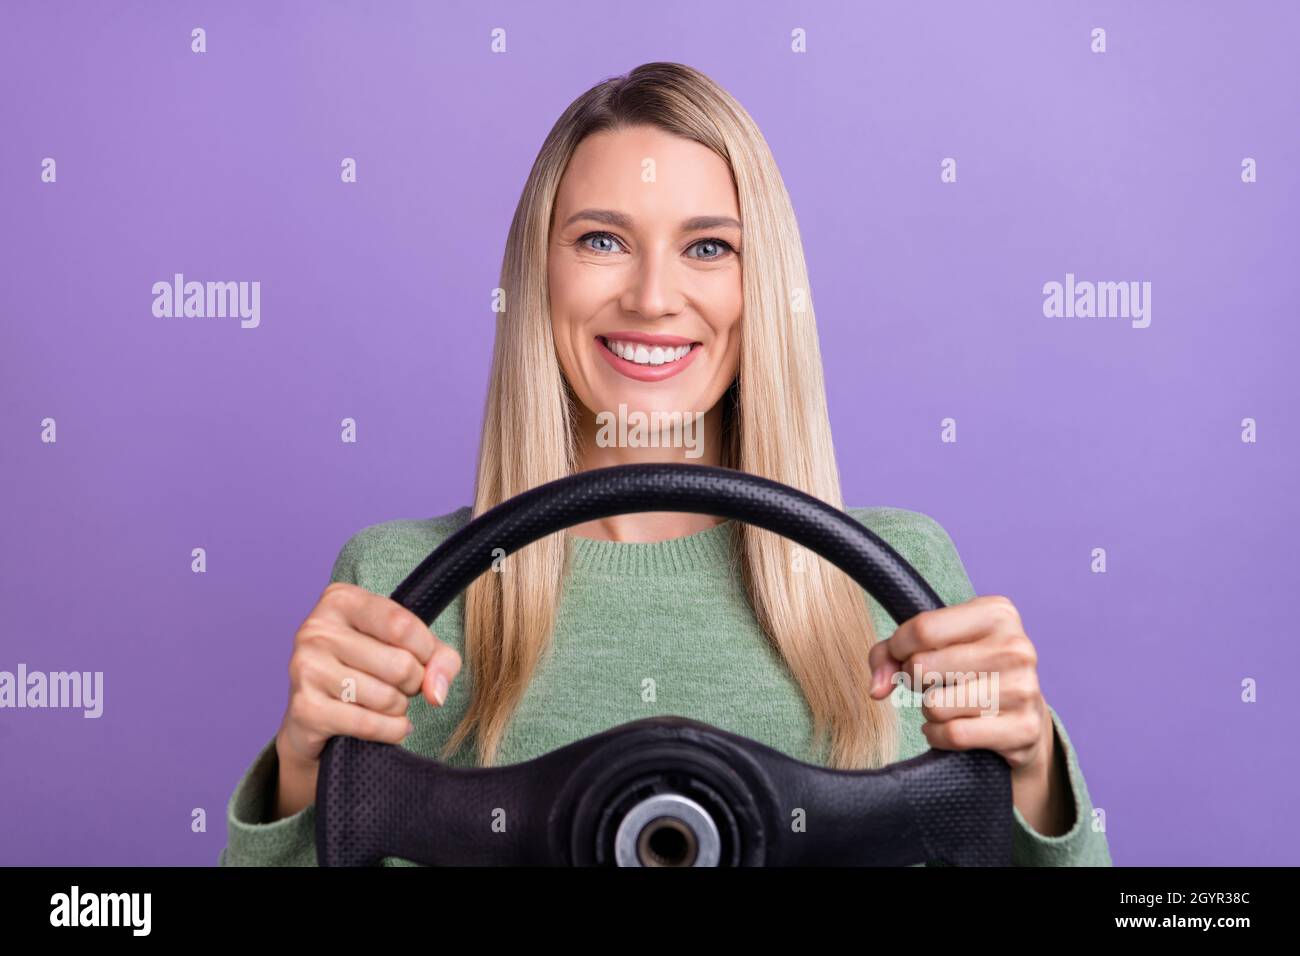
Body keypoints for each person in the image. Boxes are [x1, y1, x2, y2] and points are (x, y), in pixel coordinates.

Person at [219, 61, 1112, 867]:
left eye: (708, 247)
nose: (652, 298)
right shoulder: (398, 592)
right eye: (601, 240)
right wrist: (301, 772)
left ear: (760, 288)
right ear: (539, 277)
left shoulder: (900, 577)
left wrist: (1032, 771)